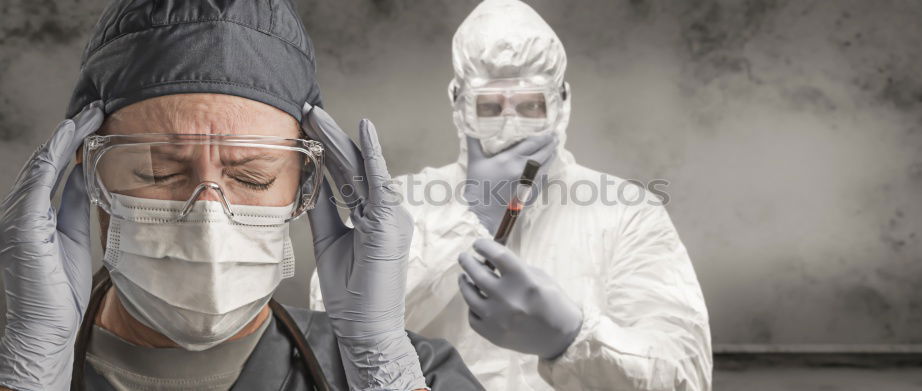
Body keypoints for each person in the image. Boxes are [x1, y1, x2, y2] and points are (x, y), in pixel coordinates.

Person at [0, 1, 482, 390]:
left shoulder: (424, 374)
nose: (209, 218)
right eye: (160, 170)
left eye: (252, 178)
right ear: (88, 172)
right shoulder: (16, 369)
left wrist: (382, 367)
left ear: (305, 185)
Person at [311, 0, 713, 389]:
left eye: (530, 105)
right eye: (489, 107)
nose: (510, 124)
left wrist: (572, 339)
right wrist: (468, 217)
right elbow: (334, 337)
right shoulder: (400, 204)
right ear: (458, 101)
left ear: (563, 101)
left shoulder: (627, 213)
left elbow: (685, 376)